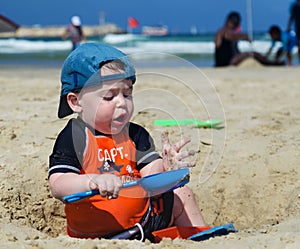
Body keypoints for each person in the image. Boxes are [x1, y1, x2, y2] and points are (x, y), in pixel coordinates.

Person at [48, 42, 205, 241]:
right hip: (90, 236)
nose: (122, 102)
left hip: (142, 224)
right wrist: (92, 181)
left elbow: (151, 180)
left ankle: (202, 238)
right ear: (75, 102)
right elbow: (58, 184)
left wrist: (167, 170)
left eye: (127, 93)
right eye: (109, 96)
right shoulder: (75, 136)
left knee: (182, 194)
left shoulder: (136, 134)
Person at [214, 11, 284, 67]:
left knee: (247, 54)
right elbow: (231, 36)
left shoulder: (220, 31)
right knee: (251, 53)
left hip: (222, 61)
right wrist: (244, 36)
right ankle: (271, 63)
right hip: (227, 61)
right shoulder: (225, 31)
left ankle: (269, 62)